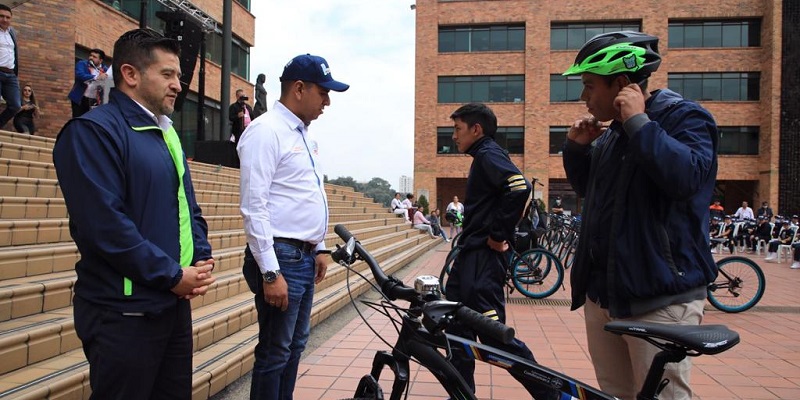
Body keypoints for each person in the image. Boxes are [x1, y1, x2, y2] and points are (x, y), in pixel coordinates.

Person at [52, 28, 216, 399]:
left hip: (170, 304)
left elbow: (187, 206)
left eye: (178, 75)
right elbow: (105, 227)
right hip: (123, 311)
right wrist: (172, 274)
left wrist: (200, 256)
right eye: (168, 74)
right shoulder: (91, 132)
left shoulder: (166, 132)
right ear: (130, 74)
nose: (178, 84)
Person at [561, 31, 718, 399]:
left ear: (620, 84)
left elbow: (687, 180)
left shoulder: (685, 117)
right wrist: (577, 151)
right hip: (606, 298)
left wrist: (639, 124)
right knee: (615, 394)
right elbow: (596, 197)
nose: (583, 97)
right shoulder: (614, 134)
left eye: (589, 85)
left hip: (659, 300)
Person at [237, 53, 348, 400]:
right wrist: (270, 273)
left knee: (294, 346)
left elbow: (301, 198)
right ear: (299, 88)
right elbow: (254, 207)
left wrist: (318, 248)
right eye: (323, 92)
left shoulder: (301, 135)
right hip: (280, 257)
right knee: (275, 352)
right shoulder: (266, 131)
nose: (327, 101)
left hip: (300, 256)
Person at [444, 103, 556, 400]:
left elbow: (518, 188)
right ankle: (461, 393)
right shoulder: (482, 156)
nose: (454, 136)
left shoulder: (489, 154)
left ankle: (549, 393)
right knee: (456, 326)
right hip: (470, 257)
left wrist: (498, 235)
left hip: (483, 258)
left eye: (458, 129)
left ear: (476, 129)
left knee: (492, 333)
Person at [68, 48, 112, 117]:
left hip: (94, 100)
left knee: (90, 120)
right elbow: (79, 74)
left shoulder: (105, 70)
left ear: (100, 60)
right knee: (78, 119)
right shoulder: (82, 64)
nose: (91, 58)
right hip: (80, 98)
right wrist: (96, 77)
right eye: (90, 55)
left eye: (94, 57)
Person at [0, 4, 20, 129]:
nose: (5, 19)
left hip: (10, 74)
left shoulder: (12, 32)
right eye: (1, 16)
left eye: (8, 17)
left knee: (15, 105)